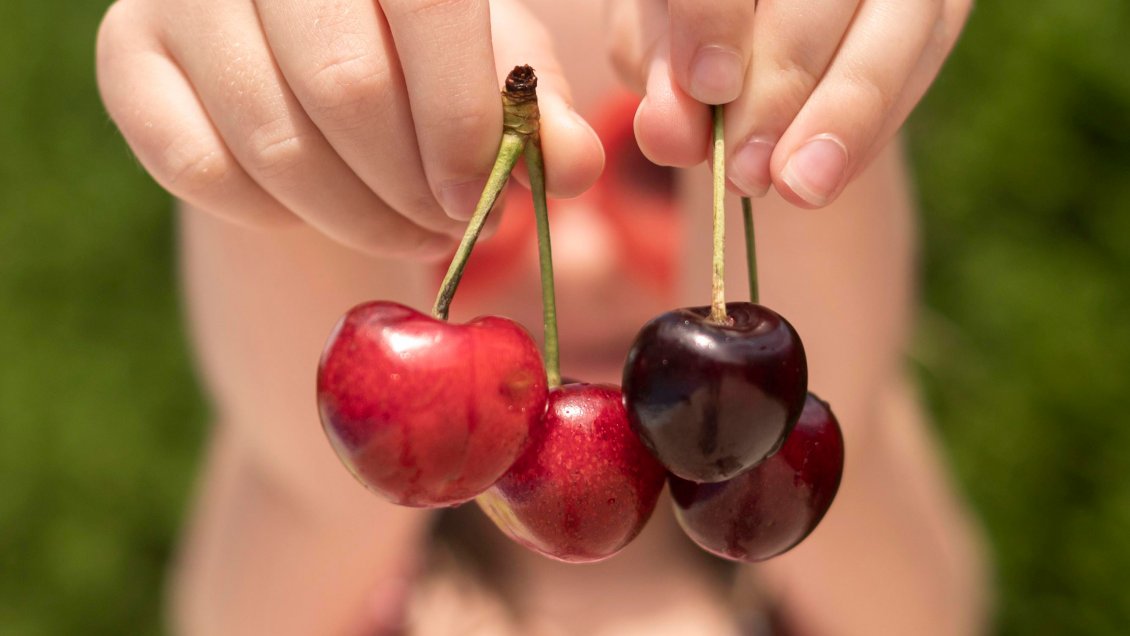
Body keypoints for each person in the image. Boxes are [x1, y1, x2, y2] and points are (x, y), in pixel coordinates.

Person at [95, 0, 989, 633]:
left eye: (655, 178)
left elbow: (839, 384)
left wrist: (786, 112)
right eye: (489, 200)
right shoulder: (333, 562)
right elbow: (310, 472)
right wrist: (281, 127)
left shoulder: (838, 556)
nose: (587, 260)